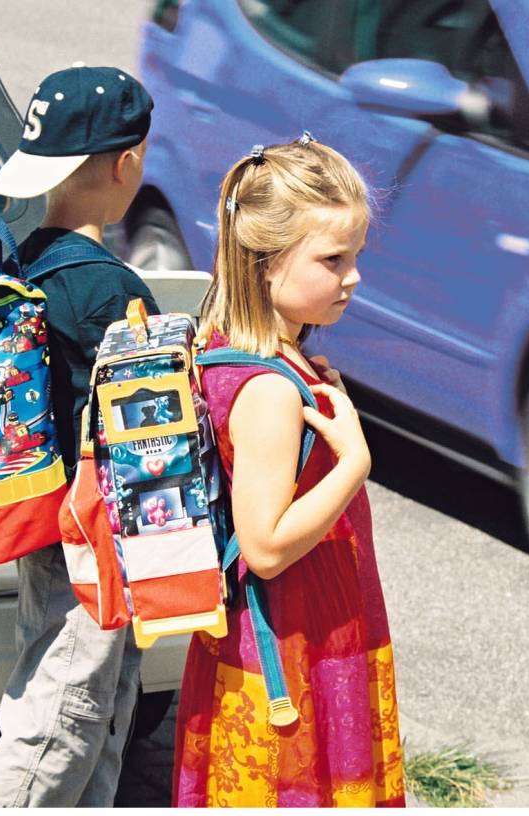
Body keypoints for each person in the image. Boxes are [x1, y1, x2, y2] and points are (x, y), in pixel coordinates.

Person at [173, 135, 405, 807]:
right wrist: (354, 462)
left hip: (300, 625)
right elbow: (267, 545)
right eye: (333, 259)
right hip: (293, 641)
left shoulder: (242, 350)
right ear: (266, 265)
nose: (353, 276)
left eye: (356, 255)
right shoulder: (269, 391)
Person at [0, 65, 160, 808]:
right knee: (59, 722)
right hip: (92, 542)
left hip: (46, 523)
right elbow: (147, 428)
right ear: (127, 162)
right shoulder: (110, 290)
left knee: (100, 712)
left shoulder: (22, 257)